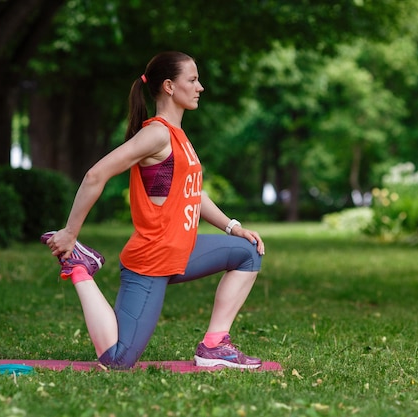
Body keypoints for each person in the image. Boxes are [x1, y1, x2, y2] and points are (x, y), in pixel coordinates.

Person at [42, 51, 265, 370]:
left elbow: (193, 194)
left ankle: (214, 346)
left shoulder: (178, 136)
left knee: (248, 251)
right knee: (118, 361)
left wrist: (233, 227)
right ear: (170, 87)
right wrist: (70, 232)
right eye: (193, 80)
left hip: (181, 250)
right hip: (151, 260)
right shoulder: (156, 134)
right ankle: (80, 267)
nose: (200, 87)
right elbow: (96, 174)